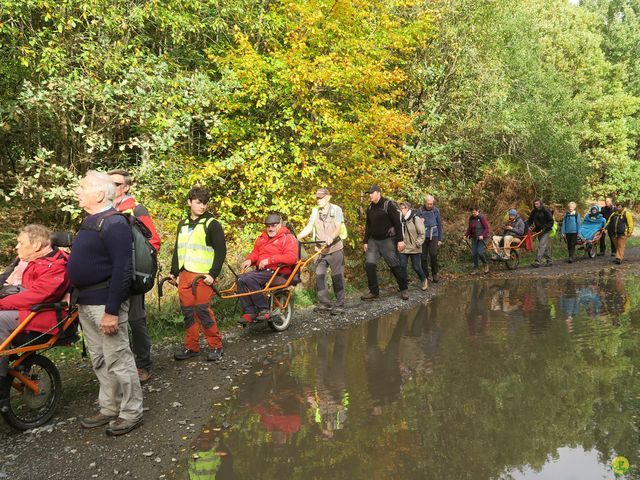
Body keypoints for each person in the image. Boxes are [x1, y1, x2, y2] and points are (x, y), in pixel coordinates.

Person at [67, 171, 143, 436]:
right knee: (100, 359)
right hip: (86, 303)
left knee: (118, 358)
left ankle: (131, 412)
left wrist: (112, 311)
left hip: (105, 305)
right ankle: (109, 407)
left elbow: (123, 269)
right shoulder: (90, 221)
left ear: (99, 194)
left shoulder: (114, 223)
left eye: (82, 187)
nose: (78, 191)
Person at [0, 225, 70, 408]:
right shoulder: (28, 261)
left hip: (43, 315)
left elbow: (37, 296)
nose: (16, 247)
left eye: (20, 243)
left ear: (37, 245)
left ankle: (0, 386)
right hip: (26, 310)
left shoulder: (56, 265)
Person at [108, 169, 161, 384]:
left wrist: (138, 269)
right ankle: (122, 366)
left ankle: (143, 365)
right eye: (109, 183)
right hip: (110, 276)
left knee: (135, 321)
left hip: (132, 277)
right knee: (115, 322)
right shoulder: (106, 210)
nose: (113, 187)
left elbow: (153, 242)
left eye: (117, 184)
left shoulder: (136, 209)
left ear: (127, 187)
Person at [170, 188, 226, 362]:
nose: (202, 206)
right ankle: (191, 346)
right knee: (188, 312)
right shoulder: (183, 224)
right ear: (189, 202)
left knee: (202, 310)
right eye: (198, 202)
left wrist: (213, 274)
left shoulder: (212, 224)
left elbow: (221, 251)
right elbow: (178, 249)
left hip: (202, 276)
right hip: (185, 274)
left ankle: (216, 346)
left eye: (204, 203)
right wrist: (174, 272)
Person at [238, 213, 298, 324]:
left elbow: (292, 258)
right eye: (268, 226)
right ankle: (249, 312)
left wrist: (270, 260)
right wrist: (250, 260)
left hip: (278, 270)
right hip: (262, 271)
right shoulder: (262, 238)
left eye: (274, 225)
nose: (270, 229)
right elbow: (256, 253)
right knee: (240, 279)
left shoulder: (287, 238)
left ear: (280, 225)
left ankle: (263, 309)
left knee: (250, 278)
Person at [297, 188, 346, 314]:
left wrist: (331, 236)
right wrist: (298, 236)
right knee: (319, 276)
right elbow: (309, 226)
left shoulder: (336, 210)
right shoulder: (315, 211)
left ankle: (340, 304)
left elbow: (338, 227)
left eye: (321, 198)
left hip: (335, 248)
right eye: (317, 198)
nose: (319, 200)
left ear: (328, 197)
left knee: (337, 277)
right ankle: (325, 303)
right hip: (320, 250)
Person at [361, 185, 408, 301]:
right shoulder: (370, 208)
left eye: (372, 193)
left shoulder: (388, 204)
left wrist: (400, 240)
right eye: (369, 193)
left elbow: (398, 223)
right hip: (373, 241)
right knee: (369, 265)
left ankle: (404, 289)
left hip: (387, 240)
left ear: (378, 193)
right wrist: (365, 241)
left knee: (394, 265)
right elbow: (368, 226)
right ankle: (374, 291)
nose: (370, 195)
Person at [398, 201, 428, 290]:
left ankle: (423, 279)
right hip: (403, 247)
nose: (400, 210)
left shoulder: (416, 219)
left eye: (402, 208)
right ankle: (404, 285)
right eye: (400, 208)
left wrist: (417, 243)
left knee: (416, 267)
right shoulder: (399, 220)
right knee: (402, 266)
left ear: (407, 209)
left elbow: (422, 233)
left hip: (414, 247)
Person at [417, 194, 443, 283]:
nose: (429, 205)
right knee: (423, 257)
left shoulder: (436, 211)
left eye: (431, 204)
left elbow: (439, 225)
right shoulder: (420, 210)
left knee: (433, 254)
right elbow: (416, 225)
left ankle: (435, 273)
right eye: (428, 204)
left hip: (434, 235)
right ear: (425, 202)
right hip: (423, 236)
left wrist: (440, 239)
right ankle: (425, 276)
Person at [527, 199, 554, 268]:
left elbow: (551, 221)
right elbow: (529, 220)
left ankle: (537, 261)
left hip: (546, 231)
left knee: (541, 245)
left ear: (541, 204)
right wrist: (529, 226)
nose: (536, 205)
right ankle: (549, 261)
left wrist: (545, 228)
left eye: (537, 204)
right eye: (535, 204)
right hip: (538, 231)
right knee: (544, 247)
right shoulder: (534, 211)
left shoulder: (546, 211)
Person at [464, 207, 490, 274]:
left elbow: (486, 228)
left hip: (481, 238)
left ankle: (485, 265)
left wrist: (482, 235)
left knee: (480, 253)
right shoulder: (471, 218)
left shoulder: (481, 218)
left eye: (474, 212)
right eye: (472, 212)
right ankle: (476, 269)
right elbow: (469, 228)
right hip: (474, 238)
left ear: (478, 211)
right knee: (474, 254)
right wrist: (466, 235)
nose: (473, 213)